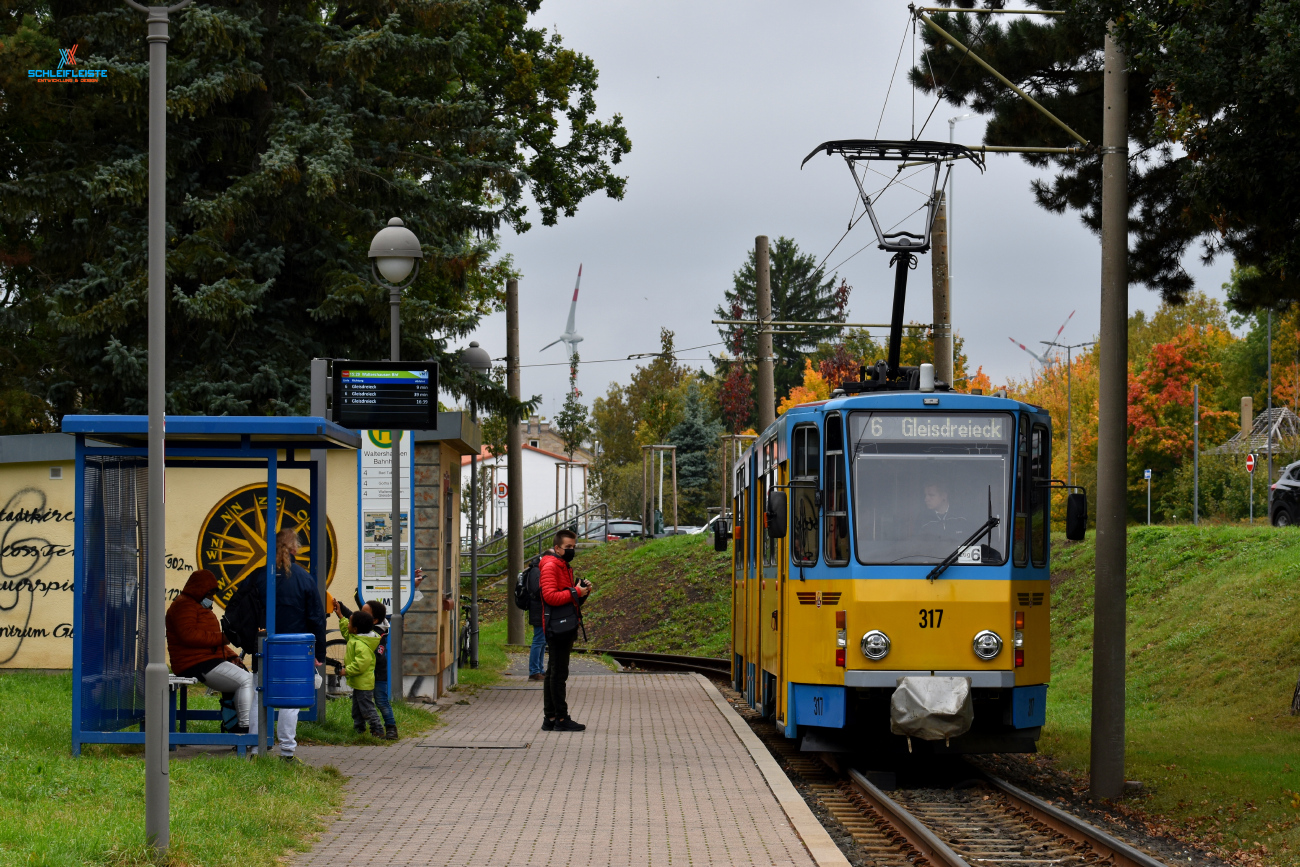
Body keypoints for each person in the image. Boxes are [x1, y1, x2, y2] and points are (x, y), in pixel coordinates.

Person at [255, 528, 328, 763]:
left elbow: (244, 608)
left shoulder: (259, 576)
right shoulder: (304, 578)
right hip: (295, 649)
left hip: (265, 646)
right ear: (294, 549)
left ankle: (254, 749)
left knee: (259, 693)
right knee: (291, 700)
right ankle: (287, 751)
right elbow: (317, 617)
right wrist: (319, 653)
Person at [165, 569, 257, 739]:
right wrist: (223, 638)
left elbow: (214, 644)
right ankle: (245, 732)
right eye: (210, 593)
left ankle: (237, 727)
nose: (212, 597)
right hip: (193, 664)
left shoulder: (197, 606)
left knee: (245, 678)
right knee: (247, 680)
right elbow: (189, 635)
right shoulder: (183, 605)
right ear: (199, 590)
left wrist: (231, 656)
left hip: (205, 660)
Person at [539, 528, 592, 732]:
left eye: (573, 546)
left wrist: (582, 591)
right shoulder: (552, 566)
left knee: (553, 671)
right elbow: (550, 597)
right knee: (558, 673)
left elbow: (568, 598)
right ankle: (560, 718)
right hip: (557, 626)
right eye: (568, 547)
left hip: (563, 623)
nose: (571, 550)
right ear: (557, 548)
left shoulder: (563, 565)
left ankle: (550, 718)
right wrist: (574, 591)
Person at [336, 607, 384, 737]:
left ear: (356, 629)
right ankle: (359, 729)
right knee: (357, 710)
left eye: (350, 623)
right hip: (359, 683)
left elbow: (360, 665)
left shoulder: (362, 645)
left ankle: (377, 730)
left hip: (364, 683)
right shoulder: (356, 638)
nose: (348, 625)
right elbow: (346, 632)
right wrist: (341, 616)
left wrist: (347, 671)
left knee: (367, 709)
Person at [527, 564, 548, 682]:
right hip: (538, 611)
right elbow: (537, 590)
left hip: (540, 610)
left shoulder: (537, 570)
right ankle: (534, 671)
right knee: (539, 640)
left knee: (542, 641)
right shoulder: (536, 571)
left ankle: (539, 669)